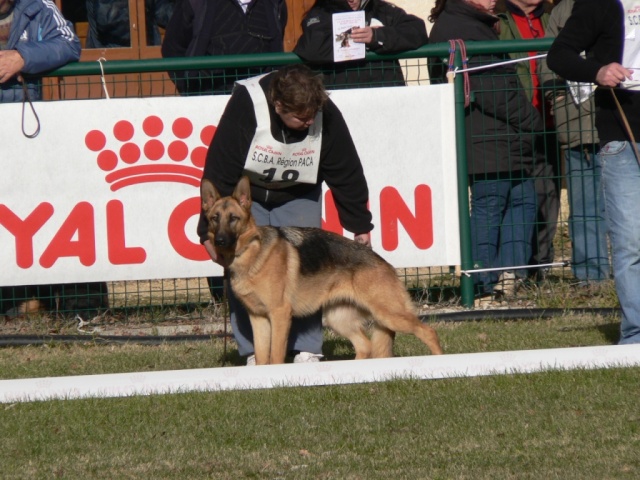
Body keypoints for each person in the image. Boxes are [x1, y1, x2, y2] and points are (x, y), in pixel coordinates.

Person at [197, 64, 373, 364]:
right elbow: (219, 168)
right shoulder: (247, 103)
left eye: (311, 117)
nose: (308, 122)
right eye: (300, 118)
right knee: (245, 270)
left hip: (298, 192)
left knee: (304, 269)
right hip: (249, 201)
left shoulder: (322, 111)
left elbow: (346, 169)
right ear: (278, 105)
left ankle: (306, 348)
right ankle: (254, 352)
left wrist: (358, 223)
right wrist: (206, 233)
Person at [162, 0, 287, 302]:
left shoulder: (273, 4)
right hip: (211, 111)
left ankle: (265, 286)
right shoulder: (196, 4)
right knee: (217, 204)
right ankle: (223, 295)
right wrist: (193, 91)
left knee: (251, 200)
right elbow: (172, 50)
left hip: (260, 118)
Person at [429, 0, 543, 301]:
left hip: (504, 136)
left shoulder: (472, 24)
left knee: (523, 201)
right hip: (486, 136)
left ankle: (509, 278)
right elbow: (494, 92)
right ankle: (483, 283)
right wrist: (533, 121)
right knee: (490, 208)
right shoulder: (461, 28)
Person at [547, 0, 640, 344]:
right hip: (621, 133)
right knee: (630, 242)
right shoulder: (599, 4)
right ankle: (636, 334)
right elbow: (558, 55)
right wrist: (598, 72)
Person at [539, 0, 610, 283]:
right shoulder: (562, 10)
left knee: (624, 205)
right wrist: (557, 99)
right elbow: (547, 61)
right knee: (583, 209)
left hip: (618, 124)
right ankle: (591, 276)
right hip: (577, 124)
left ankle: (627, 271)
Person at [496, 0, 561, 284]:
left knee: (548, 198)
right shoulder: (498, 19)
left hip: (550, 122)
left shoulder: (551, 16)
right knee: (516, 200)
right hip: (512, 127)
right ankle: (507, 270)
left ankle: (539, 268)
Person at [161, 0, 287, 95]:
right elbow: (173, 47)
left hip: (262, 97)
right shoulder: (197, 3)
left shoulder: (274, 3)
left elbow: (277, 38)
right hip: (211, 98)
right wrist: (189, 88)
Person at [293, 0, 428, 89]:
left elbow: (417, 30)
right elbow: (313, 47)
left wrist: (377, 36)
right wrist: (355, 38)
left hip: (386, 93)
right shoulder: (321, 13)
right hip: (341, 95)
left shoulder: (380, 9)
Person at [85, 0, 175, 48]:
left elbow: (162, 12)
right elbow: (106, 20)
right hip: (108, 56)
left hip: (147, 54)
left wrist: (184, 10)